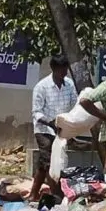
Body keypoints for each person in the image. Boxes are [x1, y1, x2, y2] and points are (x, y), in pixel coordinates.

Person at [29, 55, 78, 201]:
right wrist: (50, 123)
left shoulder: (69, 85)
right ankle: (57, 195)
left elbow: (75, 105)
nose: (64, 72)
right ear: (54, 69)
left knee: (44, 164)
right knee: (51, 162)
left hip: (61, 129)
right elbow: (36, 112)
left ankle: (33, 194)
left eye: (66, 69)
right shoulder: (41, 87)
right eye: (61, 69)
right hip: (44, 129)